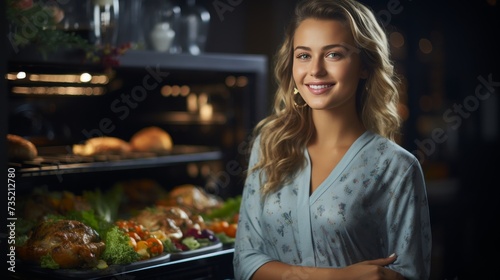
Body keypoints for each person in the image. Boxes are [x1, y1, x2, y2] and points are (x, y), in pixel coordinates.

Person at [232, 0, 432, 279]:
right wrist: (334, 277)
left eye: (333, 54)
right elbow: (245, 260)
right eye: (303, 55)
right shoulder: (270, 144)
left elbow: (410, 274)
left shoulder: (396, 167)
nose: (315, 70)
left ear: (364, 65)